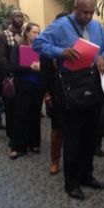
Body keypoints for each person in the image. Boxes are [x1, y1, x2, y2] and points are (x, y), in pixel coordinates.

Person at [33, 0, 104, 200]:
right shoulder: (61, 26)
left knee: (90, 135)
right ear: (75, 8)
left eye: (91, 12)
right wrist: (61, 52)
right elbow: (38, 44)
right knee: (73, 138)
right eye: (84, 12)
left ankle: (87, 175)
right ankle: (71, 183)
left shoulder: (97, 27)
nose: (88, 16)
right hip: (71, 89)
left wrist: (103, 57)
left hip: (93, 87)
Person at [40, 12, 69, 175]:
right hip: (55, 94)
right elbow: (44, 74)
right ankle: (54, 160)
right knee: (57, 129)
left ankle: (73, 160)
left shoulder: (75, 43)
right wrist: (46, 95)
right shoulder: (47, 47)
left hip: (74, 94)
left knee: (74, 129)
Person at [9, 22, 42, 159]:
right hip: (23, 86)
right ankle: (18, 146)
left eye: (38, 32)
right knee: (21, 115)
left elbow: (46, 67)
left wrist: (42, 67)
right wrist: (31, 67)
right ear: (27, 33)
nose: (36, 35)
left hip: (37, 86)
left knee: (35, 115)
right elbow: (14, 67)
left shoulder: (41, 48)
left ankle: (34, 143)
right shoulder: (18, 47)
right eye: (34, 32)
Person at [0, 10, 24, 145]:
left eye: (21, 17)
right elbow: (1, 57)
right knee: (10, 107)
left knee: (22, 106)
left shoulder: (25, 34)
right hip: (10, 76)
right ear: (10, 18)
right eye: (17, 16)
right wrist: (10, 71)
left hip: (24, 75)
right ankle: (12, 135)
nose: (20, 19)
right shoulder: (4, 35)